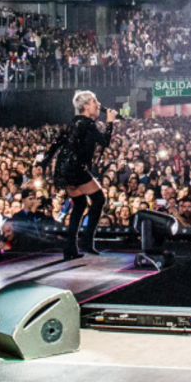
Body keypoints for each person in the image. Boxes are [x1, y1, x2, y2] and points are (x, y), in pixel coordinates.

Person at [45, 91, 115, 260]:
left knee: (80, 203)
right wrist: (110, 122)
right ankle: (86, 241)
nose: (98, 104)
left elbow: (59, 141)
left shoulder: (76, 122)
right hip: (74, 167)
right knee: (98, 199)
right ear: (85, 106)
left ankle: (71, 246)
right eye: (94, 101)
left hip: (66, 167)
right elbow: (104, 142)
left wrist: (46, 160)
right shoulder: (86, 122)